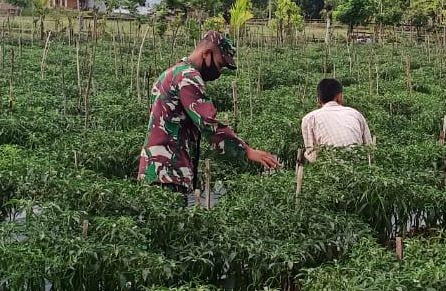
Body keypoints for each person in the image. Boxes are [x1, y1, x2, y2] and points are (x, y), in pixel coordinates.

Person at [136, 31, 281, 195]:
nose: (219, 72)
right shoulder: (188, 77)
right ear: (206, 54)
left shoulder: (171, 73)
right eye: (219, 64)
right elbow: (208, 124)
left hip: (153, 170)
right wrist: (246, 150)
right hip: (168, 172)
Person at [301, 78, 375, 162]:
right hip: (358, 167)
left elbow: (312, 154)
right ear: (339, 96)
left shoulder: (309, 118)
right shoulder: (355, 113)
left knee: (307, 154)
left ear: (318, 99)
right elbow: (369, 149)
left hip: (329, 168)